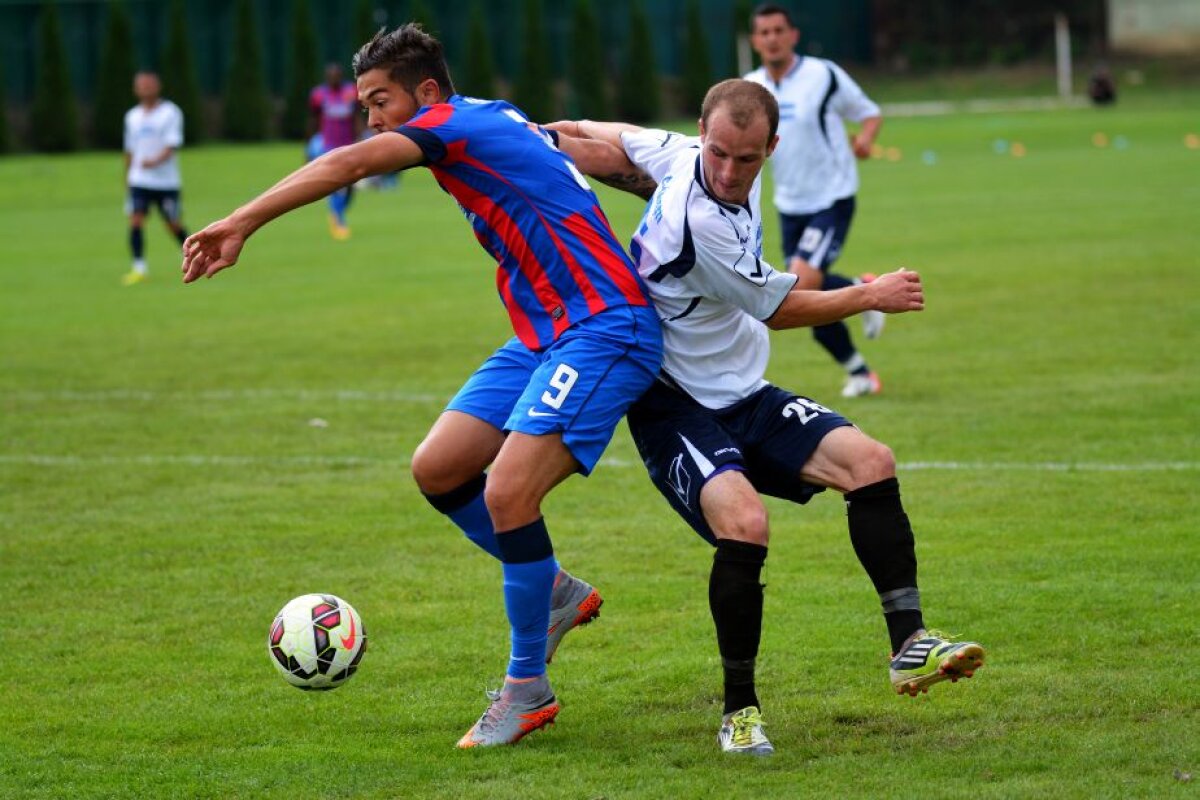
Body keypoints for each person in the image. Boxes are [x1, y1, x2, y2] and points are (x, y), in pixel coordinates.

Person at [181, 24, 662, 748]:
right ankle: (554, 591)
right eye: (365, 104)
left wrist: (240, 221)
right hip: (543, 332)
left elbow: (347, 163)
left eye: (380, 102)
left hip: (604, 326)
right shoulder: (496, 115)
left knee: (507, 493)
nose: (372, 118)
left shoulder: (451, 126)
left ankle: (525, 688)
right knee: (439, 468)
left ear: (427, 93)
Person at [548, 78, 984, 756]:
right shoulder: (700, 220)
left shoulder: (681, 151)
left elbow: (597, 136)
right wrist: (870, 294)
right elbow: (777, 309)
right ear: (703, 133)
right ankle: (739, 711)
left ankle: (910, 645)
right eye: (719, 154)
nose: (727, 172)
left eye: (745, 160)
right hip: (672, 403)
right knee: (746, 523)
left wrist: (532, 132)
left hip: (742, 392)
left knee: (872, 463)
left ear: (769, 148)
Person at [744, 4, 886, 397]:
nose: (772, 38)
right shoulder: (751, 88)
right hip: (789, 205)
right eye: (764, 32)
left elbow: (869, 113)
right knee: (807, 296)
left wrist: (866, 140)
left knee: (799, 291)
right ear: (755, 41)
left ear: (793, 35)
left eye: (778, 30)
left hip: (831, 197)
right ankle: (859, 368)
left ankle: (863, 298)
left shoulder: (823, 75)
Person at [122, 71, 188, 286]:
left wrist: (155, 161)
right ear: (135, 89)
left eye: (149, 85)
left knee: (173, 224)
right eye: (141, 85)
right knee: (136, 220)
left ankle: (192, 254)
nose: (145, 89)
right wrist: (128, 177)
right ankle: (139, 267)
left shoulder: (170, 112)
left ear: (158, 87)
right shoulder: (132, 116)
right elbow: (129, 150)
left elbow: (172, 145)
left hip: (166, 182)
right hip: (139, 181)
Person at [309, 63, 363, 239]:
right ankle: (337, 218)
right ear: (327, 78)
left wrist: (360, 137)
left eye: (337, 76)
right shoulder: (319, 95)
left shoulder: (350, 92)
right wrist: (310, 142)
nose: (334, 79)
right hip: (328, 146)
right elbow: (314, 118)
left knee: (351, 186)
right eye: (330, 76)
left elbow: (356, 116)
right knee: (336, 184)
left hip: (348, 144)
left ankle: (339, 210)